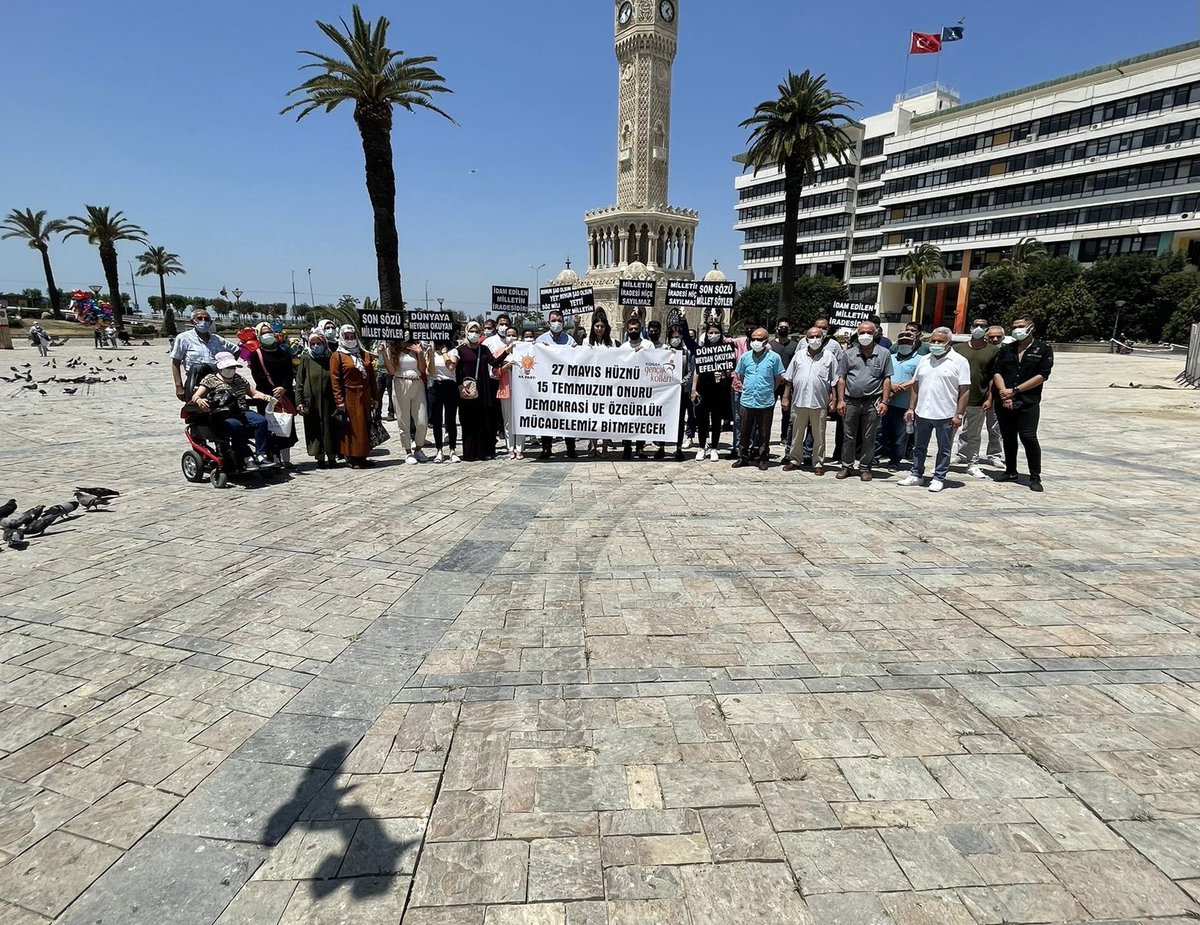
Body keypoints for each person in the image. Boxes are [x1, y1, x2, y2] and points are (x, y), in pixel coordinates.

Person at [898, 327, 970, 493]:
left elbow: (965, 390)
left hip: (945, 413)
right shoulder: (924, 359)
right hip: (923, 411)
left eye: (940, 341)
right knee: (918, 446)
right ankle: (916, 474)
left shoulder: (959, 361)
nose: (936, 344)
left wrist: (959, 414)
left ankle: (939, 477)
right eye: (933, 341)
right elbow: (916, 384)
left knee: (944, 448)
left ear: (948, 342)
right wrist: (911, 408)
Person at [993, 315, 1054, 492]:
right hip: (1005, 401)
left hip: (1028, 402)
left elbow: (1042, 375)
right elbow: (997, 371)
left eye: (1020, 326)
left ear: (1031, 327)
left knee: (1028, 437)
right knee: (1008, 437)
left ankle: (1035, 476)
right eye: (1014, 326)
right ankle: (1010, 470)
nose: (1017, 329)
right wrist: (1005, 393)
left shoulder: (1043, 349)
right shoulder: (1006, 349)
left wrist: (1016, 390)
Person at [191, 352, 274, 471]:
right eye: (228, 367)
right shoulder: (210, 380)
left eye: (233, 367)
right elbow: (196, 396)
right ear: (220, 367)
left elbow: (253, 393)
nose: (231, 370)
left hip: (242, 410)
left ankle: (261, 455)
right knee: (235, 426)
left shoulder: (239, 379)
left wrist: (265, 396)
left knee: (261, 421)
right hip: (223, 413)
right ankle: (247, 458)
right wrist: (199, 400)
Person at [781, 325, 843, 476]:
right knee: (797, 433)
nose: (814, 339)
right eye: (811, 337)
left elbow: (834, 381)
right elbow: (789, 379)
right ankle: (795, 459)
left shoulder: (829, 356)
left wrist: (834, 399)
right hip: (799, 401)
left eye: (818, 336)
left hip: (819, 402)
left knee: (819, 434)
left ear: (822, 338)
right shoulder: (799, 355)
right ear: (806, 339)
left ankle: (818, 462)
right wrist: (785, 397)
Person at [837, 320, 892, 481]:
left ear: (875, 334)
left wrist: (884, 402)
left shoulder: (884, 353)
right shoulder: (848, 354)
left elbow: (886, 379)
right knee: (848, 436)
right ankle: (846, 466)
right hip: (851, 401)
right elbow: (842, 378)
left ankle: (865, 467)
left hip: (872, 402)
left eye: (868, 332)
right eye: (861, 333)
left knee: (869, 437)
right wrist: (840, 400)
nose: (865, 336)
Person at [951, 316, 1002, 479]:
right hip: (956, 400)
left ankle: (972, 464)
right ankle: (943, 462)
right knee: (948, 433)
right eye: (976, 325)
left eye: (983, 326)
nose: (979, 328)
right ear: (970, 327)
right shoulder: (958, 348)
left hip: (979, 399)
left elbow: (993, 376)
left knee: (974, 435)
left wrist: (989, 397)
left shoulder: (993, 350)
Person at [245, 321, 299, 468]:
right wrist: (273, 392)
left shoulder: (284, 353)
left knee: (285, 426)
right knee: (270, 428)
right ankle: (273, 458)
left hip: (284, 395)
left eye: (269, 331)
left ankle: (286, 459)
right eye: (263, 332)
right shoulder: (256, 355)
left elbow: (289, 374)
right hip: (266, 397)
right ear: (258, 335)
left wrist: (283, 388)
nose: (267, 334)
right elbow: (258, 377)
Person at [730, 328, 784, 470]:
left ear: (766, 341)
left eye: (759, 339)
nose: (756, 342)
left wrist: (768, 389)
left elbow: (778, 378)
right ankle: (743, 457)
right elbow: (740, 375)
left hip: (765, 400)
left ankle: (762, 458)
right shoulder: (745, 357)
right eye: (753, 339)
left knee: (764, 432)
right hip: (747, 399)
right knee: (744, 430)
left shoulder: (774, 357)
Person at [456, 321, 508, 461]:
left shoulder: (483, 349)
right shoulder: (460, 350)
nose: (474, 334)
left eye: (477, 331)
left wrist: (506, 353)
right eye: (471, 331)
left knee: (482, 421)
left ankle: (482, 451)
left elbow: (494, 362)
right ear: (466, 332)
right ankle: (469, 453)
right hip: (467, 390)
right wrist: (461, 386)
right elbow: (457, 370)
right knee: (467, 421)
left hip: (482, 388)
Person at [329, 324, 378, 469]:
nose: (350, 340)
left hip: (365, 394)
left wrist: (375, 398)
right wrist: (339, 401)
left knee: (364, 426)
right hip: (349, 395)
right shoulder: (338, 356)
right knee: (353, 427)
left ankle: (363, 456)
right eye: (347, 337)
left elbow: (372, 378)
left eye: (352, 337)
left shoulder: (364, 354)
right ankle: (352, 457)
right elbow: (335, 380)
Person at [535, 307, 578, 460]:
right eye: (553, 321)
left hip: (565, 386)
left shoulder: (569, 340)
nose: (556, 323)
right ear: (548, 322)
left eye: (559, 320)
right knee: (547, 417)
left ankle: (571, 448)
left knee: (568, 417)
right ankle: (546, 448)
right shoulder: (540, 340)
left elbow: (576, 359)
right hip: (547, 386)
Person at [171, 307, 237, 400]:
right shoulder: (183, 338)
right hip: (196, 381)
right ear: (192, 321)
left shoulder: (217, 339)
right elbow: (175, 362)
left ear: (210, 322)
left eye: (206, 319)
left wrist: (228, 366)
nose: (203, 321)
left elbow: (236, 350)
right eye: (200, 318)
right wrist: (179, 387)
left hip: (217, 382)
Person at [691, 321, 733, 462]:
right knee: (702, 420)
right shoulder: (702, 350)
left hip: (719, 389)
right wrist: (693, 389)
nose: (713, 335)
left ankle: (714, 447)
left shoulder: (725, 350)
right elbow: (696, 370)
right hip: (704, 387)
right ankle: (702, 446)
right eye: (710, 333)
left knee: (716, 419)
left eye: (716, 332)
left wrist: (723, 374)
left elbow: (729, 370)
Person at [295, 331, 338, 468]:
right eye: (312, 344)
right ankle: (319, 456)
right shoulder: (306, 358)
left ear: (324, 344)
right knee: (314, 427)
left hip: (328, 399)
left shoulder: (330, 357)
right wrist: (299, 401)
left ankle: (332, 455)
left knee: (330, 426)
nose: (316, 346)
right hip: (311, 399)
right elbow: (300, 380)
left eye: (319, 343)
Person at [880, 331, 921, 470]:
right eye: (902, 342)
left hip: (905, 404)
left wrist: (902, 387)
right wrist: (891, 386)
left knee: (900, 436)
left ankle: (894, 462)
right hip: (887, 402)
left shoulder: (921, 359)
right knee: (880, 433)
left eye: (908, 342)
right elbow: (882, 375)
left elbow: (918, 379)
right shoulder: (889, 357)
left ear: (914, 343)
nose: (905, 344)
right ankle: (874, 459)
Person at [384, 337, 429, 465]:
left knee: (422, 420)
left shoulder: (416, 348)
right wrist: (383, 353)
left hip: (416, 381)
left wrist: (419, 352)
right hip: (400, 382)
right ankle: (408, 451)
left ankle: (419, 448)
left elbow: (422, 369)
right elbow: (392, 371)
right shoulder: (393, 350)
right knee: (403, 420)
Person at [619, 316, 650, 460]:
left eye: (636, 329)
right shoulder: (623, 347)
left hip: (644, 387)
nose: (633, 331)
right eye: (630, 329)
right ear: (627, 330)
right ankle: (627, 445)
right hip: (627, 388)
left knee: (642, 418)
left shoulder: (648, 345)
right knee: (627, 419)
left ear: (640, 329)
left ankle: (640, 447)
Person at [428, 339, 461, 463]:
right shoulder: (433, 352)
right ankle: (439, 450)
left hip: (450, 386)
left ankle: (452, 449)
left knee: (450, 419)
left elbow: (451, 366)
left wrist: (444, 353)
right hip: (436, 385)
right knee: (437, 420)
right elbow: (430, 371)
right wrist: (431, 355)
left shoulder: (453, 351)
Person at [484, 314, 512, 456]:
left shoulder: (513, 341)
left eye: (506, 324)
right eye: (501, 324)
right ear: (496, 326)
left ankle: (511, 445)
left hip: (509, 381)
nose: (504, 327)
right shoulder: (489, 342)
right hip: (492, 381)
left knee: (507, 415)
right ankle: (490, 444)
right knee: (492, 414)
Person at [586, 315, 614, 457]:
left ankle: (604, 447)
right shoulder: (586, 342)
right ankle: (593, 445)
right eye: (597, 326)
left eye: (602, 326)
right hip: (591, 386)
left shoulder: (612, 343)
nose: (599, 329)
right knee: (592, 417)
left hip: (607, 386)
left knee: (605, 418)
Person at [769, 319, 798, 454]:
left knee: (786, 411)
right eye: (781, 327)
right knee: (768, 410)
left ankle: (785, 436)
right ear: (776, 328)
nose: (783, 329)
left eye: (785, 327)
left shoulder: (794, 346)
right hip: (773, 382)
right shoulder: (770, 345)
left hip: (788, 383)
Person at [728, 320, 753, 458]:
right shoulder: (740, 341)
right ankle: (737, 448)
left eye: (752, 328)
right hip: (738, 387)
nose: (749, 330)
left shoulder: (766, 347)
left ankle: (749, 449)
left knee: (752, 421)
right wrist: (715, 322)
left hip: (754, 390)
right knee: (737, 419)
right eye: (747, 328)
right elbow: (725, 340)